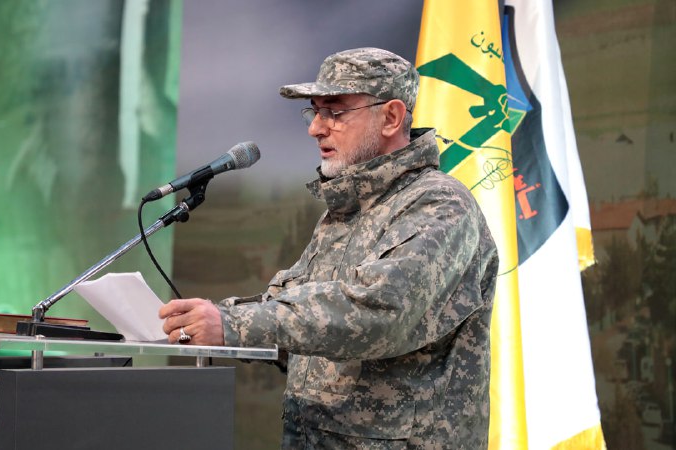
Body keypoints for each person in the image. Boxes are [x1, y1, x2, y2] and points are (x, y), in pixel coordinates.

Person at [159, 47, 499, 448]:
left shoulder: (440, 204)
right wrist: (207, 320)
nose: (316, 129)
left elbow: (377, 313)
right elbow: (300, 314)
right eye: (315, 112)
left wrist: (232, 324)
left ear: (391, 117)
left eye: (335, 112)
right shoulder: (347, 208)